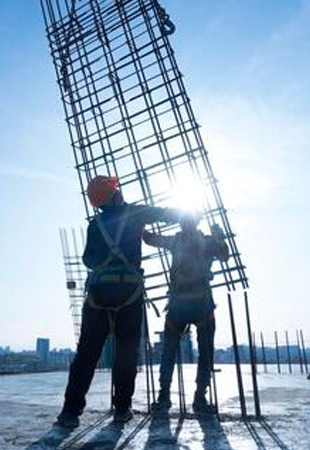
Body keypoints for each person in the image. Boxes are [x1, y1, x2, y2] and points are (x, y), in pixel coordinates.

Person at [55, 176, 181, 428]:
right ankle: (122, 409)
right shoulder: (134, 213)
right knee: (125, 354)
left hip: (98, 297)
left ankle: (70, 412)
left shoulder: (95, 225)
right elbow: (166, 214)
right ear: (113, 194)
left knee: (86, 356)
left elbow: (88, 261)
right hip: (128, 295)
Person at [143, 214, 229, 414]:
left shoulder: (177, 241)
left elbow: (149, 239)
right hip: (199, 304)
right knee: (204, 352)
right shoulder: (206, 242)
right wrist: (219, 237)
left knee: (169, 353)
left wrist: (137, 222)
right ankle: (199, 398)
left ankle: (164, 396)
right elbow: (225, 256)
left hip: (180, 305)